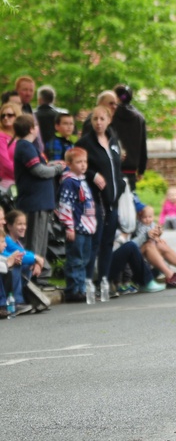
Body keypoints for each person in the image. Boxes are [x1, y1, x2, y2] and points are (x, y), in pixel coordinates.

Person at [75, 105, 126, 284]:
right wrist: (93, 175)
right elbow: (75, 165)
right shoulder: (85, 143)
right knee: (95, 241)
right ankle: (88, 279)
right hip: (94, 200)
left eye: (102, 119)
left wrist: (119, 187)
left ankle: (103, 279)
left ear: (108, 120)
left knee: (108, 242)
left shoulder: (113, 141)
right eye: (95, 119)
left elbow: (117, 169)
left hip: (112, 199)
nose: (98, 123)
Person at [12, 114, 65, 280]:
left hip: (41, 202)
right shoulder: (25, 147)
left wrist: (52, 165)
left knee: (41, 241)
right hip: (34, 202)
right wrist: (57, 170)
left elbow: (41, 166)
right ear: (31, 128)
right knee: (34, 242)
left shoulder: (29, 147)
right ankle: (31, 278)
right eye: (35, 125)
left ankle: (39, 276)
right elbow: (38, 171)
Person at [55, 147, 98, 303]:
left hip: (87, 227)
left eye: (85, 162)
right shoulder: (69, 182)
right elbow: (65, 206)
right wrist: (69, 226)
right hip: (76, 228)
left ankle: (81, 288)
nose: (83, 165)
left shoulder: (82, 181)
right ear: (69, 164)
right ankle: (73, 290)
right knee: (75, 259)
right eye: (79, 162)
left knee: (84, 259)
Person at [111, 84, 148, 190]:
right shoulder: (139, 118)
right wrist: (141, 169)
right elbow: (142, 145)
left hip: (113, 166)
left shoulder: (110, 116)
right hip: (131, 168)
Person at [1, 211, 35, 315]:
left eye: (25, 224)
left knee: (24, 264)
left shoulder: (5, 237)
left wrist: (35, 259)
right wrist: (9, 262)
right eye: (1, 219)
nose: (4, 222)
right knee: (16, 265)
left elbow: (23, 254)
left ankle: (20, 298)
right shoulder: (7, 238)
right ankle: (15, 302)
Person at [0, 101, 19, 189]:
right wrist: (21, 175)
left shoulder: (20, 136)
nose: (6, 118)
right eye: (3, 116)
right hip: (7, 182)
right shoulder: (1, 136)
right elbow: (5, 163)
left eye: (10, 115)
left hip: (21, 181)